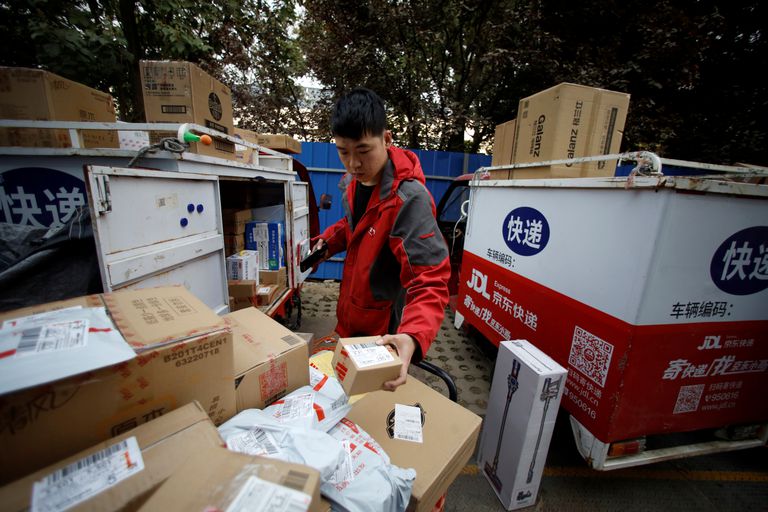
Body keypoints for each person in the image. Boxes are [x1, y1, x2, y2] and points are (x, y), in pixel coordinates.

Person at [309, 87, 451, 391]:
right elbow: (353, 227)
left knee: (370, 411)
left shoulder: (408, 200)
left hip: (381, 335)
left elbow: (430, 279)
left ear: (386, 139)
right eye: (343, 152)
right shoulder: (351, 184)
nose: (353, 164)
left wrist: (412, 335)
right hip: (348, 324)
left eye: (363, 151)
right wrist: (327, 243)